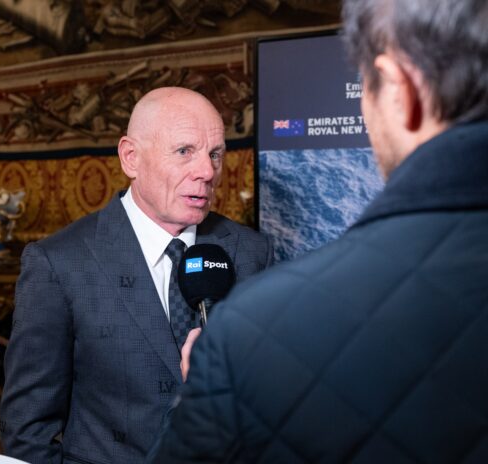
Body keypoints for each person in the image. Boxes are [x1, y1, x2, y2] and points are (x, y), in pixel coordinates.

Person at [147, 0, 488, 462]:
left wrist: (199, 395)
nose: (206, 171)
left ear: (399, 91)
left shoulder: (249, 330)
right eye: (184, 151)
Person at [0, 87, 273, 464]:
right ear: (131, 158)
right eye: (184, 151)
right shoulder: (58, 263)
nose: (207, 172)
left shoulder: (251, 252)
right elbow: (27, 428)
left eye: (215, 154)